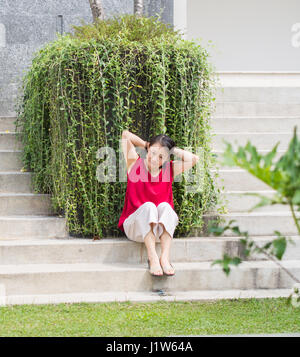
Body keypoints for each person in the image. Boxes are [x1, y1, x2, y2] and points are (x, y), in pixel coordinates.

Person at [118, 130, 199, 276]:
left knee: (165, 207)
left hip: (157, 231)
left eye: (161, 157)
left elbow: (194, 159)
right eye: (153, 152)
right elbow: (125, 135)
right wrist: (146, 145)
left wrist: (172, 150)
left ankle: (165, 258)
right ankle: (152, 257)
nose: (155, 159)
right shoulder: (134, 164)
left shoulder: (169, 170)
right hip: (135, 228)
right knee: (149, 207)